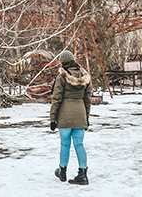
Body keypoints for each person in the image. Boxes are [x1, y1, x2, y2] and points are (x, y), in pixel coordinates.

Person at [49, 49, 90, 185]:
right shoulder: (85, 77)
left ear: (62, 62)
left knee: (65, 144)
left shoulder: (61, 77)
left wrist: (53, 118)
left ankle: (62, 171)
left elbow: (57, 98)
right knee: (79, 144)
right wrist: (86, 117)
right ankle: (83, 174)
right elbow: (87, 99)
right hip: (80, 114)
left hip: (65, 115)